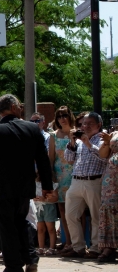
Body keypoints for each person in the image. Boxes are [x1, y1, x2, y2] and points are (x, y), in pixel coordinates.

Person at [0, 94, 53, 272]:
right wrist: (47, 186)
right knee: (22, 221)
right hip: (24, 185)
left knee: (6, 225)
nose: (21, 108)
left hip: (1, 186)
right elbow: (43, 160)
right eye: (19, 105)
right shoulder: (31, 128)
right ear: (12, 107)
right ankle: (31, 257)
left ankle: (14, 266)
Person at [60, 112, 107, 259]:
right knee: (70, 215)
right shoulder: (78, 141)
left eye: (89, 124)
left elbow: (103, 158)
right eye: (83, 124)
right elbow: (68, 159)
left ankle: (95, 247)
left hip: (94, 181)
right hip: (76, 181)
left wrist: (88, 143)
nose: (85, 126)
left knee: (96, 216)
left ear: (98, 125)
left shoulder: (102, 139)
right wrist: (72, 142)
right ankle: (78, 247)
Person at [48, 106, 76, 250]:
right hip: (59, 176)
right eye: (59, 116)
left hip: (76, 174)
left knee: (79, 210)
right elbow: (51, 158)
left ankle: (80, 242)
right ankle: (68, 241)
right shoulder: (53, 135)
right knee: (63, 209)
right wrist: (51, 177)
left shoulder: (76, 132)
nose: (62, 119)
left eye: (64, 115)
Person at [97, 131, 118, 263]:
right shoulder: (114, 133)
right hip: (111, 180)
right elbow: (103, 155)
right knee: (109, 211)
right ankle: (109, 247)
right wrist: (106, 142)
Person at [34, 174, 59, 256]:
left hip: (48, 207)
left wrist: (45, 199)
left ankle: (52, 248)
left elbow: (55, 198)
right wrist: (34, 198)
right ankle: (41, 248)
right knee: (40, 229)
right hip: (37, 207)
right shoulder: (35, 184)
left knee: (51, 228)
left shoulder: (52, 184)